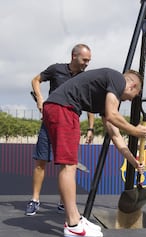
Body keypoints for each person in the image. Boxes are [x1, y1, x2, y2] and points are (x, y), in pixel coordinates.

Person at [42, 68, 146, 237]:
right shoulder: (117, 79)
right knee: (68, 165)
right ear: (132, 85)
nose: (131, 100)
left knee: (69, 164)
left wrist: (133, 161)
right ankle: (73, 225)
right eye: (135, 95)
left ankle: (75, 218)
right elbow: (114, 115)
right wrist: (135, 131)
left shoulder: (107, 94)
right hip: (63, 108)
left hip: (62, 108)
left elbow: (115, 134)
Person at [25, 44, 94, 216]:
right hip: (50, 122)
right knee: (41, 162)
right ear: (74, 56)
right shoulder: (56, 69)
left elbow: (89, 104)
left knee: (68, 166)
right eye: (84, 60)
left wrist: (91, 128)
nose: (87, 63)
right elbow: (36, 80)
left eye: (89, 61)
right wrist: (40, 100)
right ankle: (35, 200)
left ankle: (64, 202)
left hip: (70, 125)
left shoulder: (86, 79)